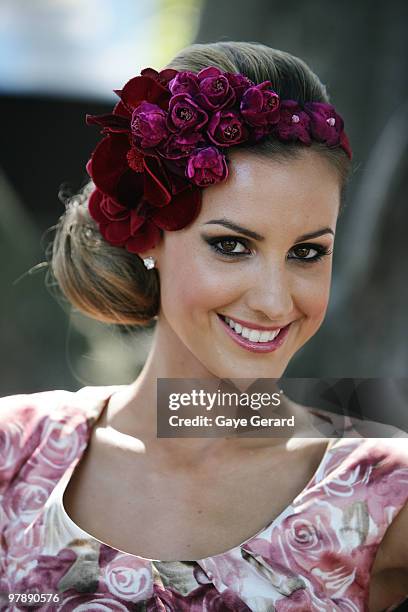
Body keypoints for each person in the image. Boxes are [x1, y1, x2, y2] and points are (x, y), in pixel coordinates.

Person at [1, 41, 407, 611]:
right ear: (147, 238)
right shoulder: (14, 452)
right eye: (232, 245)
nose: (273, 301)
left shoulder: (385, 493)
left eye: (308, 253)